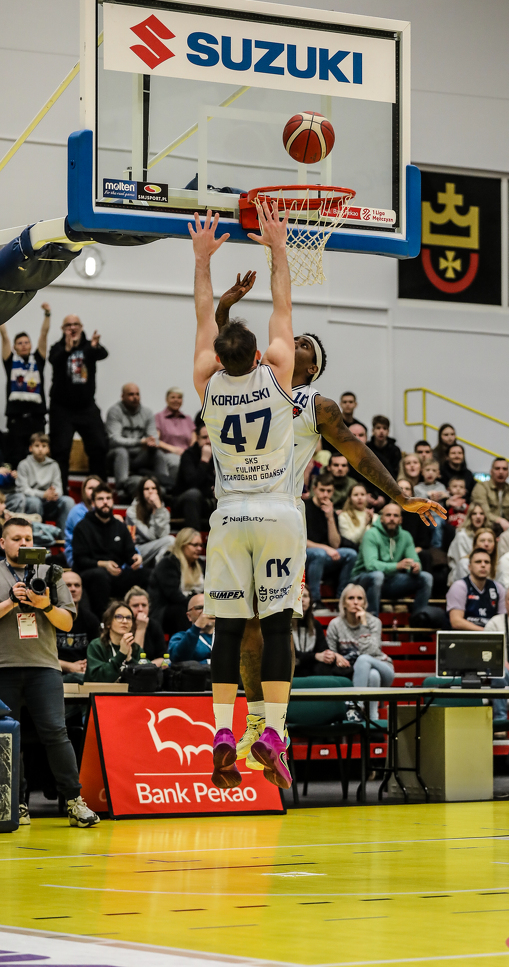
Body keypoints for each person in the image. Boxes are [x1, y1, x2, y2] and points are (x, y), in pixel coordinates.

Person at [206, 310, 442, 769]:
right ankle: (256, 721)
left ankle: (274, 729)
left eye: (303, 345)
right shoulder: (253, 382)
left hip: (282, 515)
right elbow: (227, 350)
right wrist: (223, 313)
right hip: (239, 508)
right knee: (242, 626)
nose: (292, 343)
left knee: (274, 624)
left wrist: (400, 495)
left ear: (312, 367)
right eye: (291, 339)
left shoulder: (316, 404)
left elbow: (357, 452)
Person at [190, 204, 305, 793]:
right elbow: (283, 308)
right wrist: (277, 247)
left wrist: (202, 260)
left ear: (219, 358)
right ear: (258, 356)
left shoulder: (206, 382)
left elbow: (203, 314)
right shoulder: (279, 372)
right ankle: (274, 734)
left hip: (230, 514)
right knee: (278, 627)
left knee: (230, 630)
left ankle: (222, 733)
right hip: (278, 511)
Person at [0, 516, 99, 827]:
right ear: (3, 543)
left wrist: (44, 605)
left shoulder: (50, 573)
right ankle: (16, 803)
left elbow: (67, 623)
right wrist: (11, 602)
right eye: (16, 539)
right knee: (6, 737)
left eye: (28, 538)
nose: (23, 543)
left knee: (56, 733)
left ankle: (75, 801)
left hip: (44, 668)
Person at [48, 313, 108, 492]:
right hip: (62, 408)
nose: (72, 328)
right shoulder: (57, 347)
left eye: (76, 324)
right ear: (63, 329)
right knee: (60, 450)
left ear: (81, 327)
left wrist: (95, 346)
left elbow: (103, 354)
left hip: (86, 407)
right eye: (68, 325)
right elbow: (54, 360)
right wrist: (67, 349)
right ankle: (61, 492)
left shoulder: (89, 346)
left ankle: (99, 491)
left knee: (99, 446)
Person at [72, 482, 143, 618]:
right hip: (90, 574)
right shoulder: (82, 527)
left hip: (116, 574)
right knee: (100, 576)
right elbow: (79, 559)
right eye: (100, 499)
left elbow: (129, 552)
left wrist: (136, 558)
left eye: (108, 498)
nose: (105, 502)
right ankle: (102, 620)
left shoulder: (120, 526)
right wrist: (103, 564)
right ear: (93, 503)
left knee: (146, 574)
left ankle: (140, 617)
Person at [352, 502, 434, 617]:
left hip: (390, 580)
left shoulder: (405, 536)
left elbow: (415, 560)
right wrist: (397, 566)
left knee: (426, 578)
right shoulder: (371, 534)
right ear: (381, 518)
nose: (392, 518)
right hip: (363, 581)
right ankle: (372, 620)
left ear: (400, 520)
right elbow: (371, 565)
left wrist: (415, 567)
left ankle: (419, 620)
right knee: (377, 576)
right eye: (388, 515)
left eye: (395, 516)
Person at [326, 584, 394, 721]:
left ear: (365, 603)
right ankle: (373, 718)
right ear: (343, 603)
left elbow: (371, 651)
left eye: (359, 598)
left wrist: (363, 624)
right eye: (351, 598)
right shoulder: (335, 624)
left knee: (364, 659)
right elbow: (330, 653)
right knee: (373, 675)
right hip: (357, 672)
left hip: (383, 667)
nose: (356, 602)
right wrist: (336, 655)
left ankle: (356, 706)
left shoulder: (374, 622)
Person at [0, 303, 50, 467]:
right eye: (19, 343)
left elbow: (44, 334)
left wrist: (47, 314)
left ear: (31, 345)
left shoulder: (38, 360)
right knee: (16, 458)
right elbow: (4, 336)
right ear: (14, 347)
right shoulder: (10, 362)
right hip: (16, 419)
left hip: (36, 418)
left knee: (38, 459)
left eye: (26, 342)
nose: (23, 345)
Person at [106, 382, 170, 498]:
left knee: (158, 454)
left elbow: (153, 437)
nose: (135, 397)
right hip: (117, 456)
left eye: (137, 394)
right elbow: (114, 440)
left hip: (139, 456)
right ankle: (121, 488)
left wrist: (152, 443)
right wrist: (140, 442)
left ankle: (165, 487)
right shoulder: (115, 411)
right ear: (123, 396)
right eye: (131, 394)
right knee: (121, 451)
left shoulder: (147, 412)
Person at [305, 472, 357, 608]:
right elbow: (300, 541)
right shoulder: (304, 507)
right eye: (322, 490)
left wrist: (330, 518)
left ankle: (342, 598)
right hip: (306, 555)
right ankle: (315, 600)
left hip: (325, 556)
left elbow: (335, 544)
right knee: (319, 554)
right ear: (314, 489)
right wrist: (326, 548)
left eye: (329, 491)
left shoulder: (331, 511)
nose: (325, 494)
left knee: (351, 554)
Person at [149, 527, 205, 634]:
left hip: (192, 605)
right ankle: (187, 642)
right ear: (183, 545)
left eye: (201, 545)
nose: (199, 549)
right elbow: (174, 596)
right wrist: (196, 606)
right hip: (166, 611)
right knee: (181, 611)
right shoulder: (167, 563)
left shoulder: (201, 564)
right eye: (195, 545)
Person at [13, 433, 74, 529]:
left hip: (49, 501)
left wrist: (54, 494)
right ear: (30, 448)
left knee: (68, 501)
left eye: (44, 446)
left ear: (48, 449)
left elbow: (59, 488)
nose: (40, 449)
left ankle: (63, 536)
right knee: (34, 502)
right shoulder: (23, 464)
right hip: (30, 501)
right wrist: (43, 494)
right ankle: (35, 535)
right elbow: (23, 490)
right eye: (37, 446)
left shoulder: (54, 465)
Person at [293, 584, 351, 679]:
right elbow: (291, 655)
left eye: (305, 596)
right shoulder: (285, 625)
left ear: (310, 601)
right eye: (298, 596)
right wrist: (315, 656)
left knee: (329, 665)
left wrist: (331, 655)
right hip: (294, 668)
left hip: (311, 668)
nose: (302, 600)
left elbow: (323, 649)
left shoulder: (315, 624)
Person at [447, 546, 506, 630]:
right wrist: (486, 632)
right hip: (464, 636)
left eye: (487, 562)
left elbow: (503, 621)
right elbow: (456, 622)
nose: (483, 565)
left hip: (490, 636)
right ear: (469, 567)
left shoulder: (498, 588)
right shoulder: (459, 586)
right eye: (478, 562)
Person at [171, 425, 216, 531]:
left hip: (206, 501)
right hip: (184, 501)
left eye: (211, 437)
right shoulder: (188, 455)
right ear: (197, 438)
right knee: (193, 495)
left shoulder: (218, 456)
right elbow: (192, 483)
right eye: (204, 438)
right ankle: (194, 537)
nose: (208, 441)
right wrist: (204, 461)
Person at [86, 599, 141, 682]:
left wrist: (130, 660)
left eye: (128, 618)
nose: (125, 621)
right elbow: (97, 678)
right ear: (108, 623)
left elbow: (144, 678)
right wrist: (121, 654)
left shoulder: (135, 648)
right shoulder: (96, 646)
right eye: (119, 617)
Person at [57, 571, 100, 679]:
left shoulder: (91, 620)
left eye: (77, 585)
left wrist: (84, 666)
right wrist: (69, 666)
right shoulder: (48, 619)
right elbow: (41, 658)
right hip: (55, 673)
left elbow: (96, 654)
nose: (73, 589)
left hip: (83, 673)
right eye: (68, 585)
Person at [126, 476, 174, 565]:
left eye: (153, 488)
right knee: (170, 540)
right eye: (146, 489)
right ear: (141, 492)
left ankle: (159, 568)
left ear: (158, 491)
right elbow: (150, 537)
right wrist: (155, 512)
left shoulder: (164, 512)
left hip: (157, 550)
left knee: (169, 543)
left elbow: (163, 536)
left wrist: (158, 511)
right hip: (138, 551)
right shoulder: (132, 512)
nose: (150, 491)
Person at [154, 386, 196, 486]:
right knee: (177, 463)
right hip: (168, 454)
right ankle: (175, 488)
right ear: (166, 399)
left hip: (186, 454)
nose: (176, 400)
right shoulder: (159, 417)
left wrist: (188, 453)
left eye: (179, 397)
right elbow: (156, 440)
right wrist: (173, 449)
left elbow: (194, 440)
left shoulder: (187, 419)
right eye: (173, 397)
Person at [471, 458, 509, 533]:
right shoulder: (481, 487)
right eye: (497, 468)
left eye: (504, 469)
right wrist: (500, 520)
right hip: (486, 529)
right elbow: (484, 512)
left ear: (508, 473)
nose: (501, 472)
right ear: (491, 472)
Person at [64, 474, 102, 566]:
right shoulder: (77, 511)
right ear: (84, 491)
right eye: (90, 488)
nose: (94, 491)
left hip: (99, 554)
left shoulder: (103, 511)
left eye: (97, 488)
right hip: (78, 556)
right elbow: (87, 538)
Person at [447, 502, 488, 585]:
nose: (478, 516)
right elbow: (461, 562)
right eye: (474, 514)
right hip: (462, 574)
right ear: (470, 517)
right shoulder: (462, 535)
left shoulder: (488, 535)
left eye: (481, 513)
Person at [167, 593, 214, 663]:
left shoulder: (225, 637)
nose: (206, 612)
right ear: (189, 616)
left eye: (210, 607)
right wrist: (197, 626)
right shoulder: (180, 637)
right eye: (199, 608)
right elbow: (178, 660)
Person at [124, 586, 165, 665]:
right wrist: (141, 629)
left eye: (144, 605)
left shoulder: (154, 625)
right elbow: (133, 661)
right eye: (135, 605)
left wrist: (147, 667)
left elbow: (163, 658)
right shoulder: (122, 625)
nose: (140, 609)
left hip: (150, 669)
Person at [338, 483, 373, 550]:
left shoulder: (374, 515)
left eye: (362, 494)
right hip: (354, 550)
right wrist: (364, 524)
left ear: (367, 497)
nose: (359, 498)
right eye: (355, 495)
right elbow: (349, 541)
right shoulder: (344, 516)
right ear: (349, 498)